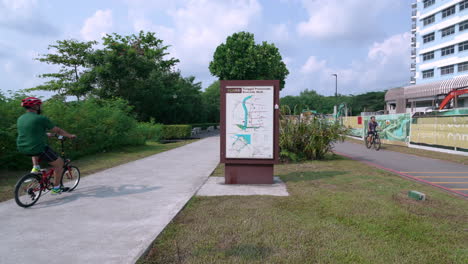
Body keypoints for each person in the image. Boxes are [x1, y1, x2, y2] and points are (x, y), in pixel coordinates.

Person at [16, 97, 76, 195]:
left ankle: (35, 167)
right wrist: (70, 135)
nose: (40, 107)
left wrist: (50, 135)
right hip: (38, 148)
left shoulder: (21, 118)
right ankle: (56, 188)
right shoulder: (40, 118)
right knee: (59, 164)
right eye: (39, 105)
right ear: (35, 106)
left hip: (22, 147)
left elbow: (33, 132)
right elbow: (58, 130)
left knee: (33, 148)